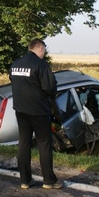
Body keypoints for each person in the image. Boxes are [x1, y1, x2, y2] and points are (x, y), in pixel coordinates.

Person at [9, 38, 63, 189]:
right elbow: (50, 88)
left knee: (24, 143)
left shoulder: (16, 64)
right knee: (44, 144)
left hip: (20, 110)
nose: (44, 53)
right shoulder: (41, 64)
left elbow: (15, 82)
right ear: (40, 49)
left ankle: (25, 180)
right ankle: (49, 181)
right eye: (44, 50)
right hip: (38, 111)